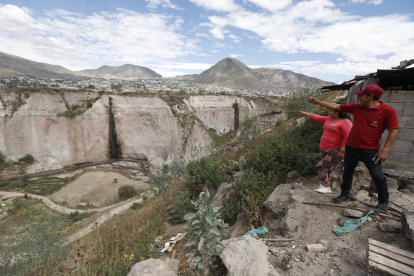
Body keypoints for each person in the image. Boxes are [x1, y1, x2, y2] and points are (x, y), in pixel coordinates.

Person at [308, 84, 399, 213]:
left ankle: (383, 202)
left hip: (371, 151)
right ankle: (345, 194)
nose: (359, 98)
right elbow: (336, 106)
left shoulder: (387, 111)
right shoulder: (357, 108)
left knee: (378, 176)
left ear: (370, 96)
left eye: (361, 95)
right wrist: (317, 102)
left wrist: (385, 150)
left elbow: (393, 132)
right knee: (347, 172)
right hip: (351, 148)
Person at [299, 107, 352, 194]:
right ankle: (326, 187)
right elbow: (318, 117)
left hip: (335, 150)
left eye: (331, 110)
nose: (329, 112)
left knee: (320, 166)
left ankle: (324, 185)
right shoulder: (329, 119)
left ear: (338, 111)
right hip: (324, 149)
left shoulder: (345, 122)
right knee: (328, 168)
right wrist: (307, 114)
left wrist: (342, 151)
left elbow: (348, 136)